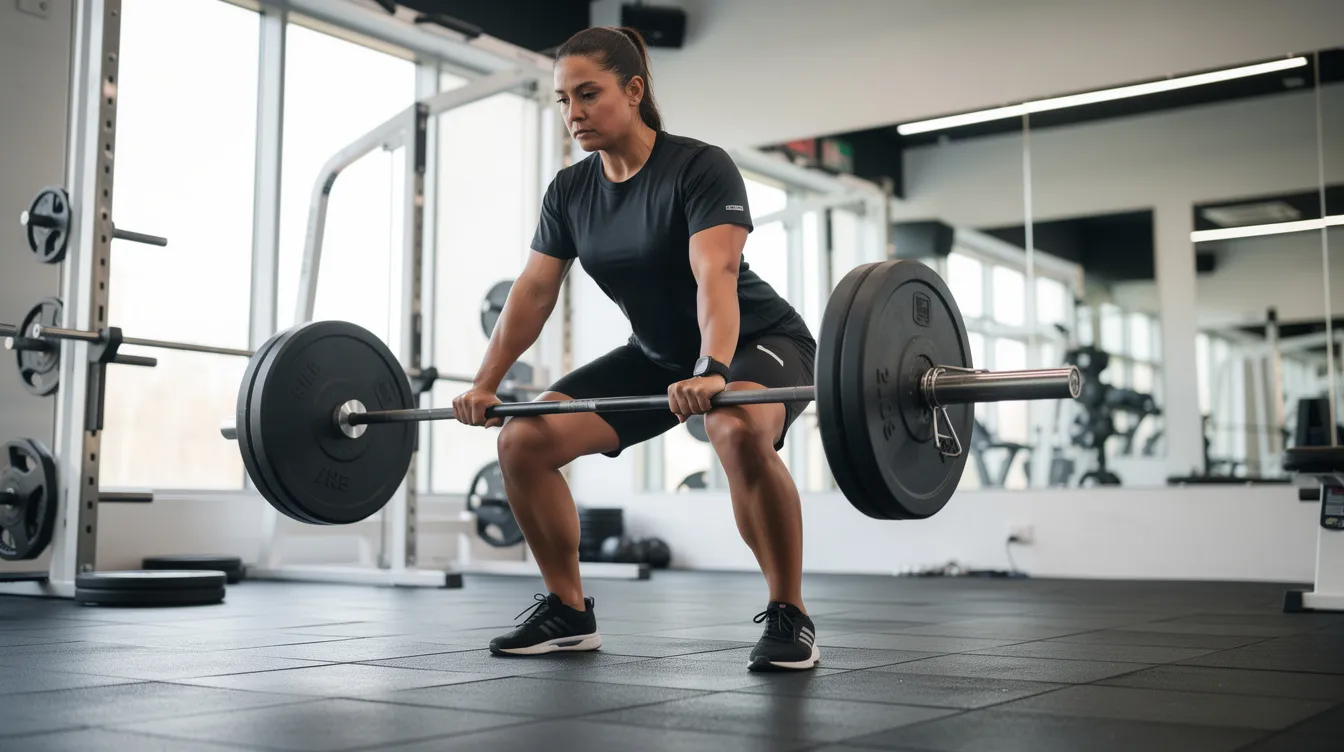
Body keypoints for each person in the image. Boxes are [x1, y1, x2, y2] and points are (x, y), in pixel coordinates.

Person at [452, 26, 819, 672]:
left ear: (634, 89)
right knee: (522, 441)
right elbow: (534, 293)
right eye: (563, 101)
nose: (574, 114)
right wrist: (486, 384)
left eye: (588, 94)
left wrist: (713, 369)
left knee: (732, 426)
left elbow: (717, 275)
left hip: (759, 342)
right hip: (657, 358)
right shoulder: (570, 193)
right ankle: (568, 611)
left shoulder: (697, 168)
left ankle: (790, 612)